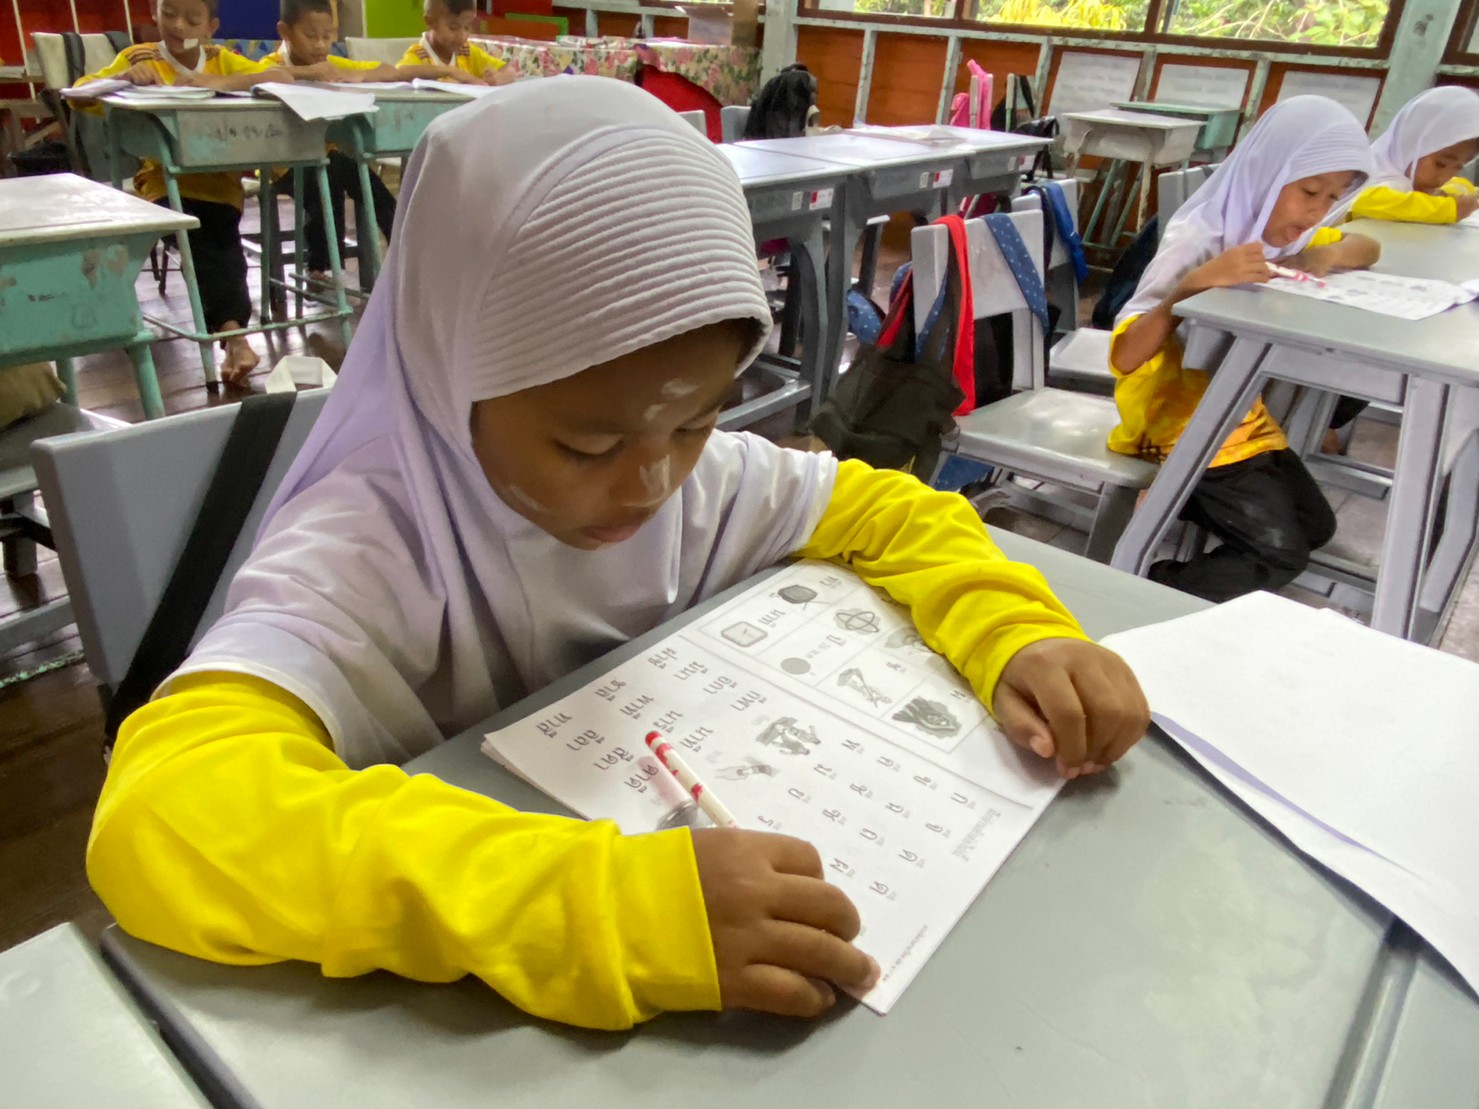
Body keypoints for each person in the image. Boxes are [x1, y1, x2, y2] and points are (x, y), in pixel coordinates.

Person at [89, 79, 1149, 1032]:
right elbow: (167, 812)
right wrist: (593, 908)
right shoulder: (369, 540)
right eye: (588, 446)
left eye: (696, 419)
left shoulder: (699, 479)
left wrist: (1014, 629)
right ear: (450, 367)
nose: (650, 484)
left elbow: (886, 508)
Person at [1107, 96, 1381, 603]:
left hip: (1237, 415)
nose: (1317, 210)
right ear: (1266, 173)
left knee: (1315, 527)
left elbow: (1369, 247)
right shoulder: (1198, 239)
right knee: (1279, 554)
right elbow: (1125, 357)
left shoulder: (1279, 237)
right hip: (1176, 422)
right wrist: (1188, 289)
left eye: (1333, 197)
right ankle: (1145, 591)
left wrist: (1325, 252)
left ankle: (1177, 500)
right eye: (1309, 191)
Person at [72, 0, 295, 384]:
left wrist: (216, 83)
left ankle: (232, 338)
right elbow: (77, 93)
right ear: (154, 13)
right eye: (169, 14)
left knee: (224, 247)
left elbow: (282, 77)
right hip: (164, 183)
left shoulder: (221, 60)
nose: (178, 26)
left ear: (211, 27)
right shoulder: (141, 56)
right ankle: (234, 337)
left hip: (220, 185)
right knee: (204, 245)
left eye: (192, 19)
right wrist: (125, 77)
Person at [1348, 86, 1479, 225]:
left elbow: (1457, 184)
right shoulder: (1379, 179)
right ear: (1410, 145)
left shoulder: (1408, 180)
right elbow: (1365, 201)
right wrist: (1448, 209)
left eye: (1458, 167)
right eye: (1440, 164)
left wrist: (1453, 195)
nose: (1442, 179)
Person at [398, 0, 515, 86]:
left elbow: (509, 71)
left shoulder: (467, 51)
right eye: (453, 28)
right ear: (430, 22)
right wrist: (449, 71)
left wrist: (497, 79)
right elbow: (400, 73)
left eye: (467, 27)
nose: (462, 36)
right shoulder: (419, 55)